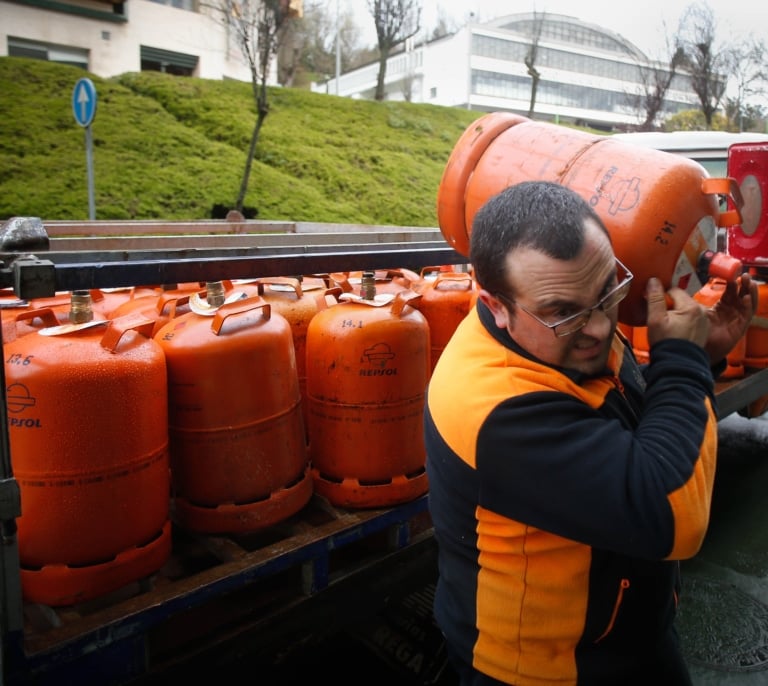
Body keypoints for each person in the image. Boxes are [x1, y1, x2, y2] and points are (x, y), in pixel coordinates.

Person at [424, 180, 757, 686]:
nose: (600, 327)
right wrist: (683, 362)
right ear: (496, 307)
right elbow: (671, 510)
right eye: (563, 311)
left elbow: (643, 426)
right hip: (553, 670)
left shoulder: (565, 334)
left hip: (629, 635)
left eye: (606, 292)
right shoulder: (496, 408)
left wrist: (701, 355)